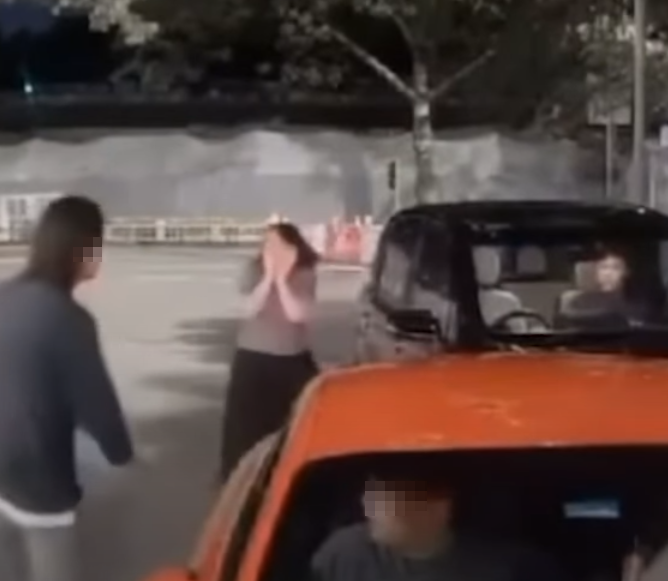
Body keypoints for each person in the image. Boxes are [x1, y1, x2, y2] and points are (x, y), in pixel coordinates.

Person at [0, 195, 134, 581]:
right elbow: (98, 406)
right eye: (98, 245)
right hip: (40, 477)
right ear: (82, 247)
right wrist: (122, 455)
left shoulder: (5, 295)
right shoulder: (70, 319)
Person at [309, 475, 560, 581]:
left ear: (438, 508)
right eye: (368, 495)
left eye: (383, 500)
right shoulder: (343, 554)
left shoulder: (510, 569)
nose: (367, 507)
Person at [219, 221, 319, 481]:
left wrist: (282, 282)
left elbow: (297, 315)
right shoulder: (252, 270)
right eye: (267, 245)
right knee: (245, 430)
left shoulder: (305, 273)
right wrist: (267, 280)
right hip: (252, 359)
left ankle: (286, 478)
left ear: (293, 248)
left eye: (278, 245)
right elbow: (247, 310)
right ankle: (240, 481)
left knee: (294, 424)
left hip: (292, 360)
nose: (271, 251)